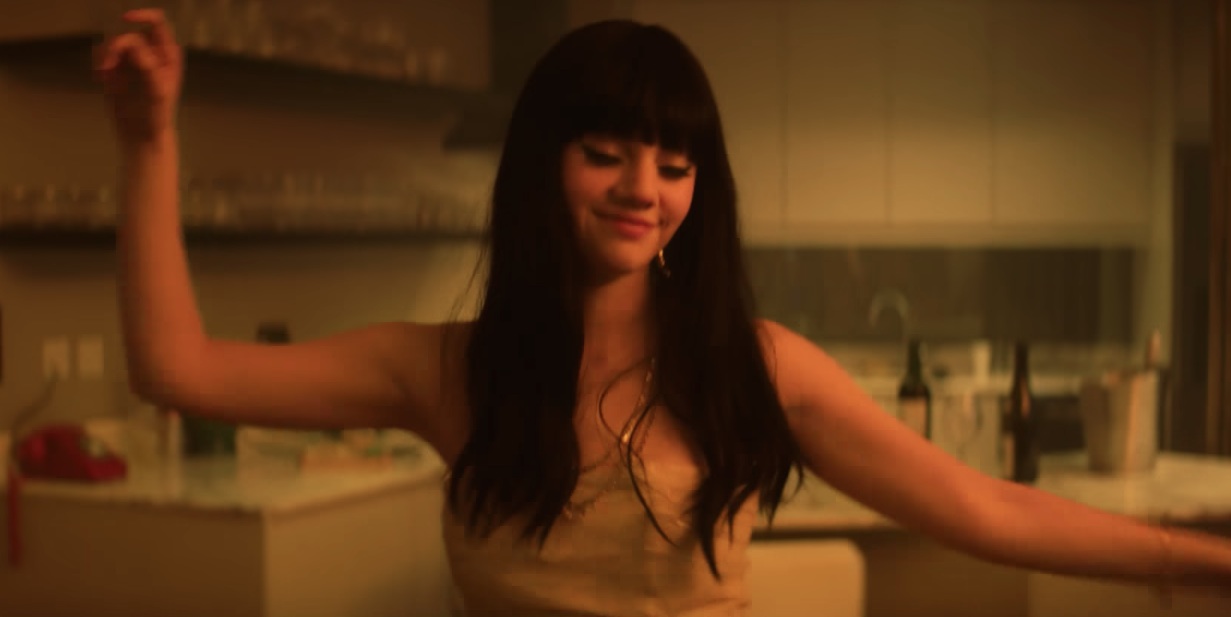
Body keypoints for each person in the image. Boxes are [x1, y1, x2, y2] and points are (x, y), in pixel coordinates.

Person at [96, 7, 1231, 616]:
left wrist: (1207, 561)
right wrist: (150, 142)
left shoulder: (756, 365)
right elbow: (175, 369)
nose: (644, 188)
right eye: (606, 152)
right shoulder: (442, 370)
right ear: (542, 167)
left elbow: (984, 507)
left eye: (675, 165)